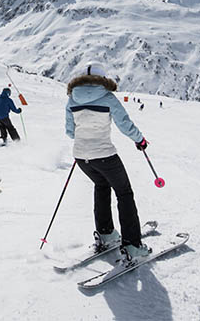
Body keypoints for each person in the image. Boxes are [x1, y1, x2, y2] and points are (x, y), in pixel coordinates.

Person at [65, 62, 152, 263]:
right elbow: (125, 124)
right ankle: (132, 245)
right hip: (104, 155)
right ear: (102, 80)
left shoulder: (71, 100)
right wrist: (140, 140)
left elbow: (70, 132)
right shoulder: (108, 98)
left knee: (101, 185)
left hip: (81, 156)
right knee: (124, 193)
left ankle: (106, 234)